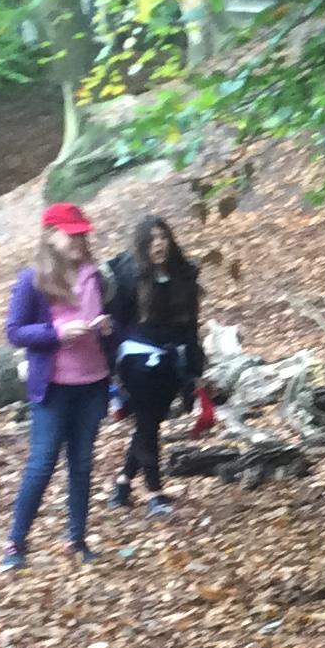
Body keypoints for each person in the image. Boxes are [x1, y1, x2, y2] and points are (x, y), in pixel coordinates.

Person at [1, 203, 118, 569]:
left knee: (81, 463)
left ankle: (77, 538)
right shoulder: (33, 280)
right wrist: (56, 332)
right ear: (51, 235)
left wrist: (106, 328)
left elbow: (109, 323)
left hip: (93, 381)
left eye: (82, 234)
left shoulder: (94, 275)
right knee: (42, 462)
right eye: (72, 234)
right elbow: (14, 332)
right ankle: (15, 544)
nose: (79, 241)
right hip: (53, 386)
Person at [103, 212, 202, 516]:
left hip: (172, 360)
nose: (159, 244)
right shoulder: (128, 276)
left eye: (163, 237)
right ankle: (155, 491)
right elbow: (116, 323)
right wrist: (111, 370)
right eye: (153, 239)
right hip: (138, 359)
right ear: (142, 244)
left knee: (151, 422)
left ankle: (123, 482)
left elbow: (191, 326)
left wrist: (195, 371)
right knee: (147, 421)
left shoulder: (183, 275)